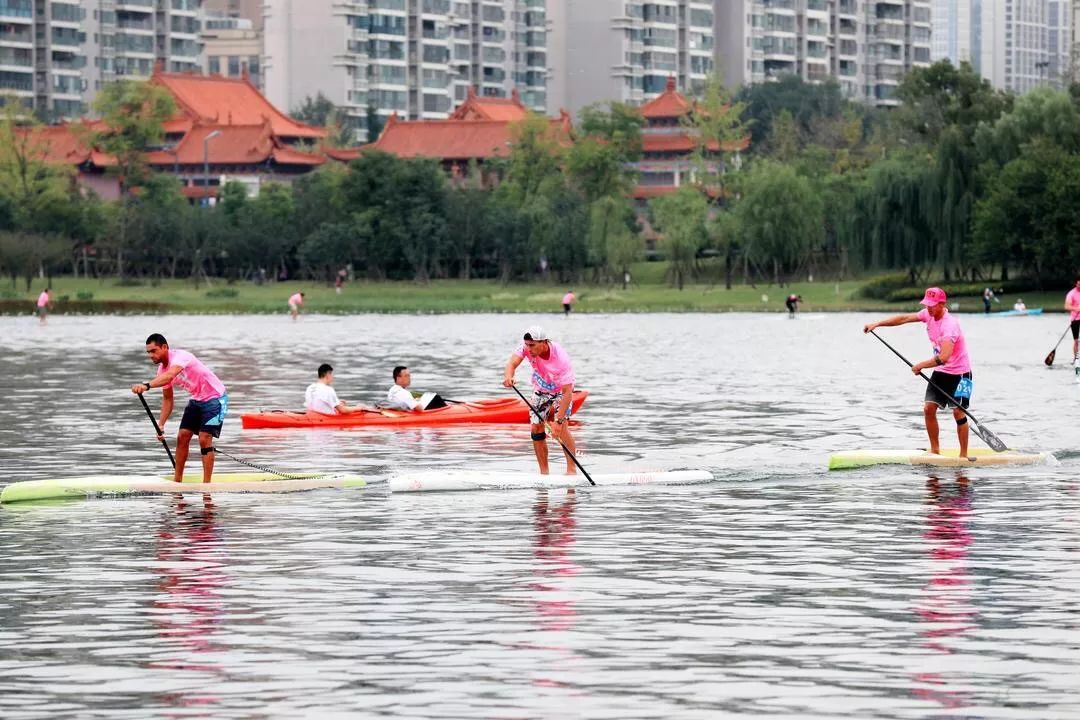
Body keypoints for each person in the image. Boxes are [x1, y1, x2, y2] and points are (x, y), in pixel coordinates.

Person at [863, 287, 973, 458]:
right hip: (942, 372)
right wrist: (877, 324)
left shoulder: (949, 325)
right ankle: (935, 451)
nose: (928, 308)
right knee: (929, 408)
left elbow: (944, 357)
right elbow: (904, 318)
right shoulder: (928, 314)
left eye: (932, 305)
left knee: (958, 412)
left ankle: (963, 456)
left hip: (961, 373)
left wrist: (920, 365)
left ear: (942, 304)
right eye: (927, 304)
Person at [132, 334, 228, 483]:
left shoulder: (180, 357)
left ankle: (207, 485)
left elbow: (171, 375)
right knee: (182, 436)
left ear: (165, 347)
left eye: (154, 351)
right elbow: (168, 399)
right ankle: (177, 481)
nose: (151, 355)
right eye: (148, 352)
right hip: (197, 398)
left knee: (204, 438)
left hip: (215, 397)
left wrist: (147, 386)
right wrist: (161, 425)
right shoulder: (161, 371)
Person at [503, 326, 578, 475]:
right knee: (536, 428)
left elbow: (568, 393)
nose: (528, 349)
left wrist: (559, 421)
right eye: (527, 345)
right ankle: (544, 473)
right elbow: (511, 363)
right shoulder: (526, 347)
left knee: (562, 430)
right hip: (541, 389)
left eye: (532, 345)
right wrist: (509, 376)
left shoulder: (560, 359)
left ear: (543, 342)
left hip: (561, 392)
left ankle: (571, 470)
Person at [1065, 276, 1080, 365]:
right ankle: (1076, 358)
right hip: (1075, 320)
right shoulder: (1071, 293)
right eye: (1079, 284)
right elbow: (1067, 306)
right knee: (1076, 341)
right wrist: (1077, 309)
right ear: (1076, 284)